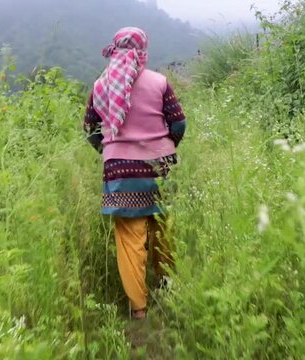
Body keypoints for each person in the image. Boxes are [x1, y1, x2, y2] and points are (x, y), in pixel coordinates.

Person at [83, 27, 186, 320]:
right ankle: (167, 284)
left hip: (120, 172)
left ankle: (138, 309)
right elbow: (178, 124)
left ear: (114, 49)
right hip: (160, 168)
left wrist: (108, 150)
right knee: (163, 227)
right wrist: (166, 145)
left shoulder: (100, 86)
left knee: (130, 239)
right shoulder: (160, 82)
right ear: (143, 50)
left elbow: (90, 130)